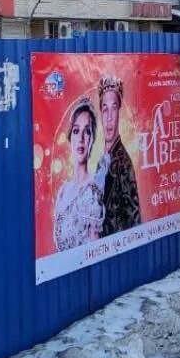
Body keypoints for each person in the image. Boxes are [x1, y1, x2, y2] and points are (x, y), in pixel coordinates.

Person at [53, 98, 105, 251]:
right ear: (70, 137)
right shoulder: (63, 192)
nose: (81, 138)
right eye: (76, 131)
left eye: (87, 131)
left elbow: (95, 251)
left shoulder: (93, 193)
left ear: (92, 139)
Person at [97, 75, 141, 237]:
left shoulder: (124, 163)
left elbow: (134, 219)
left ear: (119, 111)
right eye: (105, 109)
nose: (109, 118)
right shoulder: (101, 162)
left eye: (113, 108)